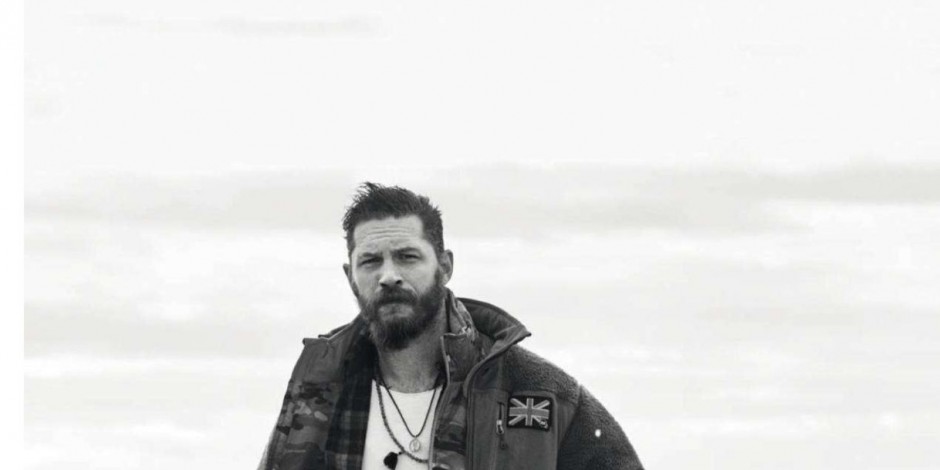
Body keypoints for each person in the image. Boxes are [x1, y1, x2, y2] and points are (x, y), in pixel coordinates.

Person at [258, 183, 643, 470]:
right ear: (350, 277)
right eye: (371, 261)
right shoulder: (319, 389)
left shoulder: (541, 393)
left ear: (445, 266)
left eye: (407, 257)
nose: (388, 276)